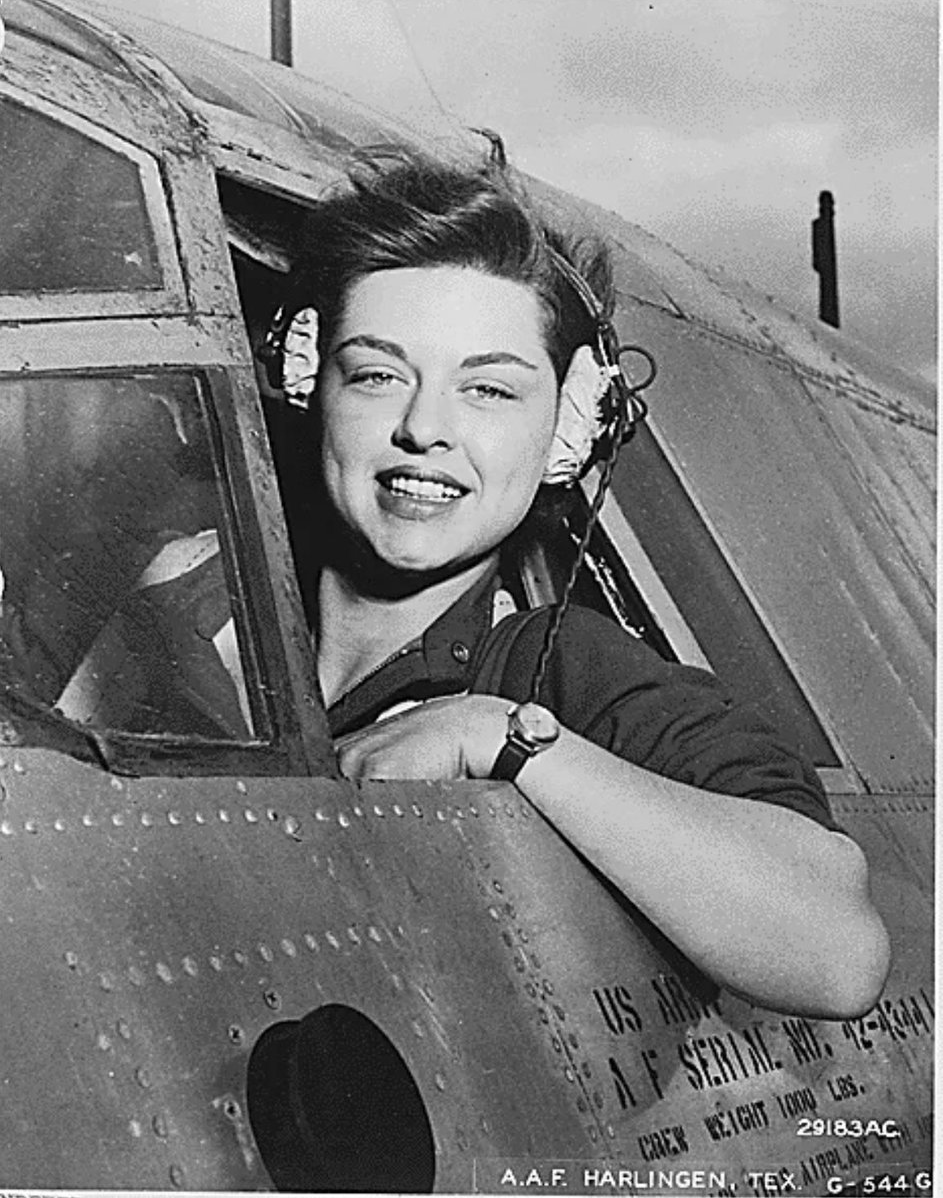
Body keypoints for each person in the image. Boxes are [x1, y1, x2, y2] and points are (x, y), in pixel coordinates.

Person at [262, 150, 890, 1021]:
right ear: (309, 377)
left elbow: (836, 954)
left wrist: (499, 736)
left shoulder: (559, 673)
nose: (422, 428)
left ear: (569, 429)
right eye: (376, 373)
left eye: (487, 389)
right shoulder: (174, 607)